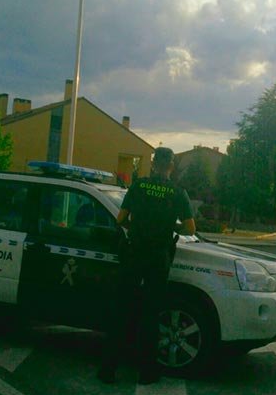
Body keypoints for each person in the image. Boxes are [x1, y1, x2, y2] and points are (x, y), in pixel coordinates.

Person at [98, 147, 195, 385]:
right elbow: (190, 229)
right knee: (151, 315)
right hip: (158, 258)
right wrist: (171, 228)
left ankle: (108, 370)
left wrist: (137, 227)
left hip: (133, 255)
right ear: (171, 166)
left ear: (153, 165)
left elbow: (121, 219)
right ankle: (147, 373)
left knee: (122, 311)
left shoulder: (138, 186)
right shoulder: (178, 193)